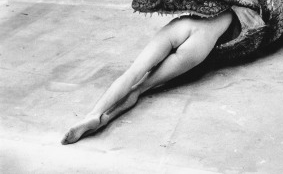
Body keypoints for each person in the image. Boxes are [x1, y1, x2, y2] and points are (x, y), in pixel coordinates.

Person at [61, 11, 233, 145]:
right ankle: (106, 118)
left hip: (178, 27)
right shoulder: (241, 8)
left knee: (131, 73)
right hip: (202, 40)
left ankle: (93, 114)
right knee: (141, 87)